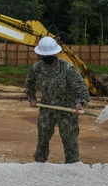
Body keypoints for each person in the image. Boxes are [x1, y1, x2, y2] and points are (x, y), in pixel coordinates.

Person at [25, 36, 91, 164]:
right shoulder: (36, 69)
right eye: (45, 55)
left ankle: (73, 168)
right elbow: (29, 83)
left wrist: (80, 103)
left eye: (50, 54)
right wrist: (32, 98)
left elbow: (81, 88)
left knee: (70, 140)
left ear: (56, 53)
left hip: (67, 109)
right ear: (40, 55)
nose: (48, 57)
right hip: (47, 109)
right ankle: (39, 165)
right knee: (43, 139)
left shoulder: (67, 68)